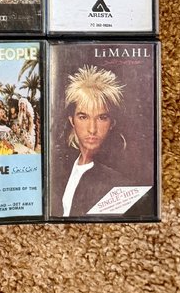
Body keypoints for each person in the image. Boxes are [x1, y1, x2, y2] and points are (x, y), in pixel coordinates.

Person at [54, 65, 141, 218]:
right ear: (72, 121)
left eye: (102, 118)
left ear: (112, 123)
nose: (92, 129)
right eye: (83, 117)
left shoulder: (119, 178)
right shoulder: (63, 167)